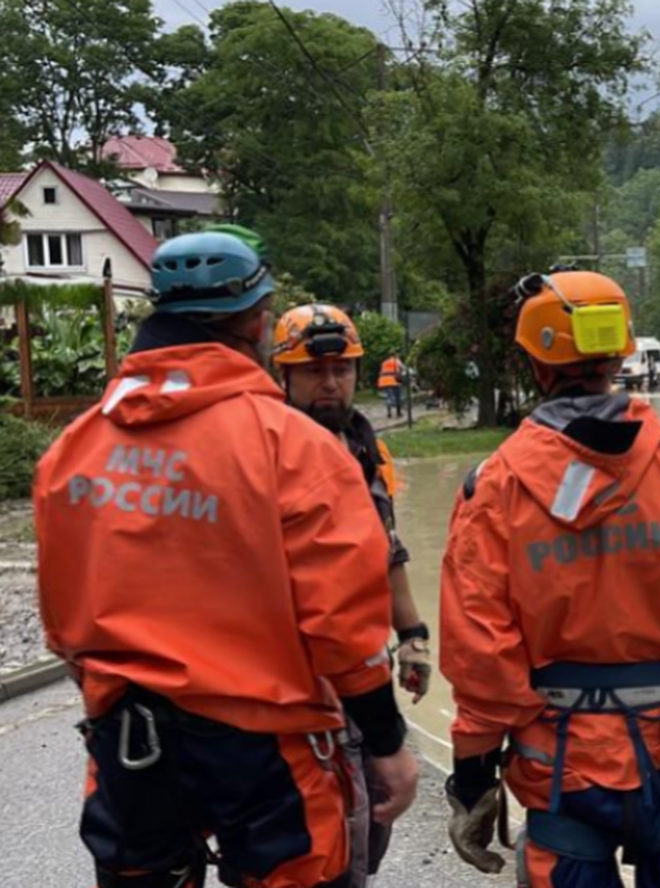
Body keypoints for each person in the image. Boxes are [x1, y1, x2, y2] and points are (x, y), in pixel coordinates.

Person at [34, 231, 419, 888]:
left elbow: (65, 621)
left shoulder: (75, 448)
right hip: (268, 751)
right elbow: (343, 627)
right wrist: (386, 744)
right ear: (256, 320)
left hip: (133, 743)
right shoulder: (293, 447)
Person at [439, 270, 660, 887]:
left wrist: (473, 781)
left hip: (560, 772)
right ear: (620, 354)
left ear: (534, 364)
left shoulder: (493, 489)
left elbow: (482, 657)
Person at [272, 303, 434, 885]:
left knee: (372, 827)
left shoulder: (366, 450)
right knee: (327, 845)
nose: (331, 382)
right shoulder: (268, 454)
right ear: (283, 376)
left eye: (342, 370)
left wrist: (412, 634)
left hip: (361, 678)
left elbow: (384, 548)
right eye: (315, 372)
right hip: (294, 688)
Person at [377, 352, 406, 419]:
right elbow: (403, 368)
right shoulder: (396, 360)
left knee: (388, 397)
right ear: (395, 355)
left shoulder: (384, 362)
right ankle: (398, 413)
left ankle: (389, 413)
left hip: (384, 381)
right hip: (394, 380)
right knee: (398, 396)